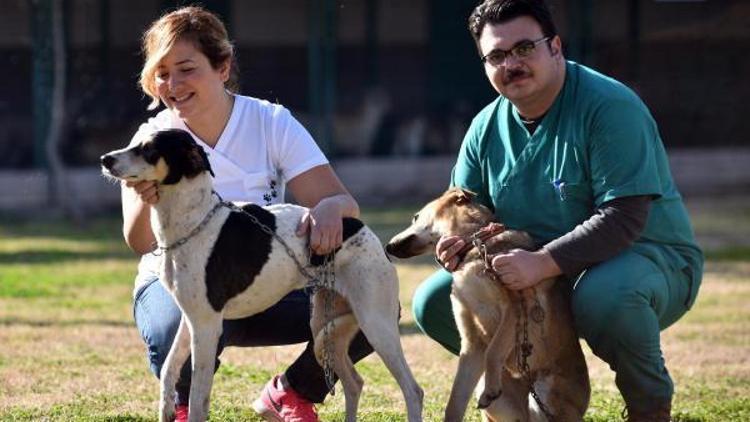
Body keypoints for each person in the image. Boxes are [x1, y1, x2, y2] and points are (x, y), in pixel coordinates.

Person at [411, 1, 703, 421]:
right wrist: (455, 249)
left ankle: (649, 405)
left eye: (524, 48)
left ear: (555, 47)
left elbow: (624, 217)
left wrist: (544, 263)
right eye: (496, 56)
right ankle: (523, 401)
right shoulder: (484, 128)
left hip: (643, 260)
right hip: (536, 274)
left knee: (605, 296)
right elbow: (469, 214)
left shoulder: (609, 107)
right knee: (437, 300)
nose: (511, 63)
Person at [122, 7, 372, 422]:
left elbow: (342, 204)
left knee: (368, 299)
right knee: (170, 332)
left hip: (270, 283)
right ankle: (183, 406)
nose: (173, 84)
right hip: (185, 287)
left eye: (186, 68)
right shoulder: (151, 138)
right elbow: (139, 243)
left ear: (222, 66)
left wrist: (329, 208)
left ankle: (294, 392)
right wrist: (148, 200)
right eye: (162, 73)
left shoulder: (271, 122)